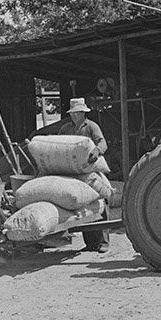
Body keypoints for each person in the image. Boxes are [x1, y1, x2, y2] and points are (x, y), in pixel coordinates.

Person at [59, 97, 110, 252]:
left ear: (83, 113)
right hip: (74, 171)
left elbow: (102, 143)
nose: (75, 116)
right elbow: (57, 143)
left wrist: (96, 151)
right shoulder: (66, 128)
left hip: (91, 169)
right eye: (73, 113)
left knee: (100, 200)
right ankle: (90, 243)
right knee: (83, 204)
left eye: (78, 113)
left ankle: (104, 242)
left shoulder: (91, 127)